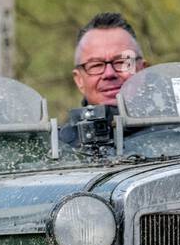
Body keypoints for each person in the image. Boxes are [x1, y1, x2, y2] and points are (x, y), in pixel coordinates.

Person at [59, 12, 148, 145]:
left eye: (121, 62)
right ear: (79, 80)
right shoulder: (62, 148)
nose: (109, 74)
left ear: (142, 70)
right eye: (96, 65)